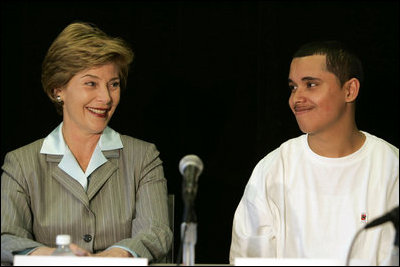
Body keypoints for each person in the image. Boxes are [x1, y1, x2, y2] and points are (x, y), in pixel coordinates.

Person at [1, 22, 172, 264]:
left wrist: (115, 254)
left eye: (113, 84)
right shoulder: (20, 163)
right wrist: (54, 256)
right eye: (91, 83)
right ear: (58, 90)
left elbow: (156, 232)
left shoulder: (143, 156)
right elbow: (5, 236)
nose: (106, 98)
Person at [229, 41, 399, 265]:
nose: (296, 99)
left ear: (350, 90)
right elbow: (246, 259)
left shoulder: (391, 165)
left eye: (310, 85)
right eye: (293, 87)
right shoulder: (272, 169)